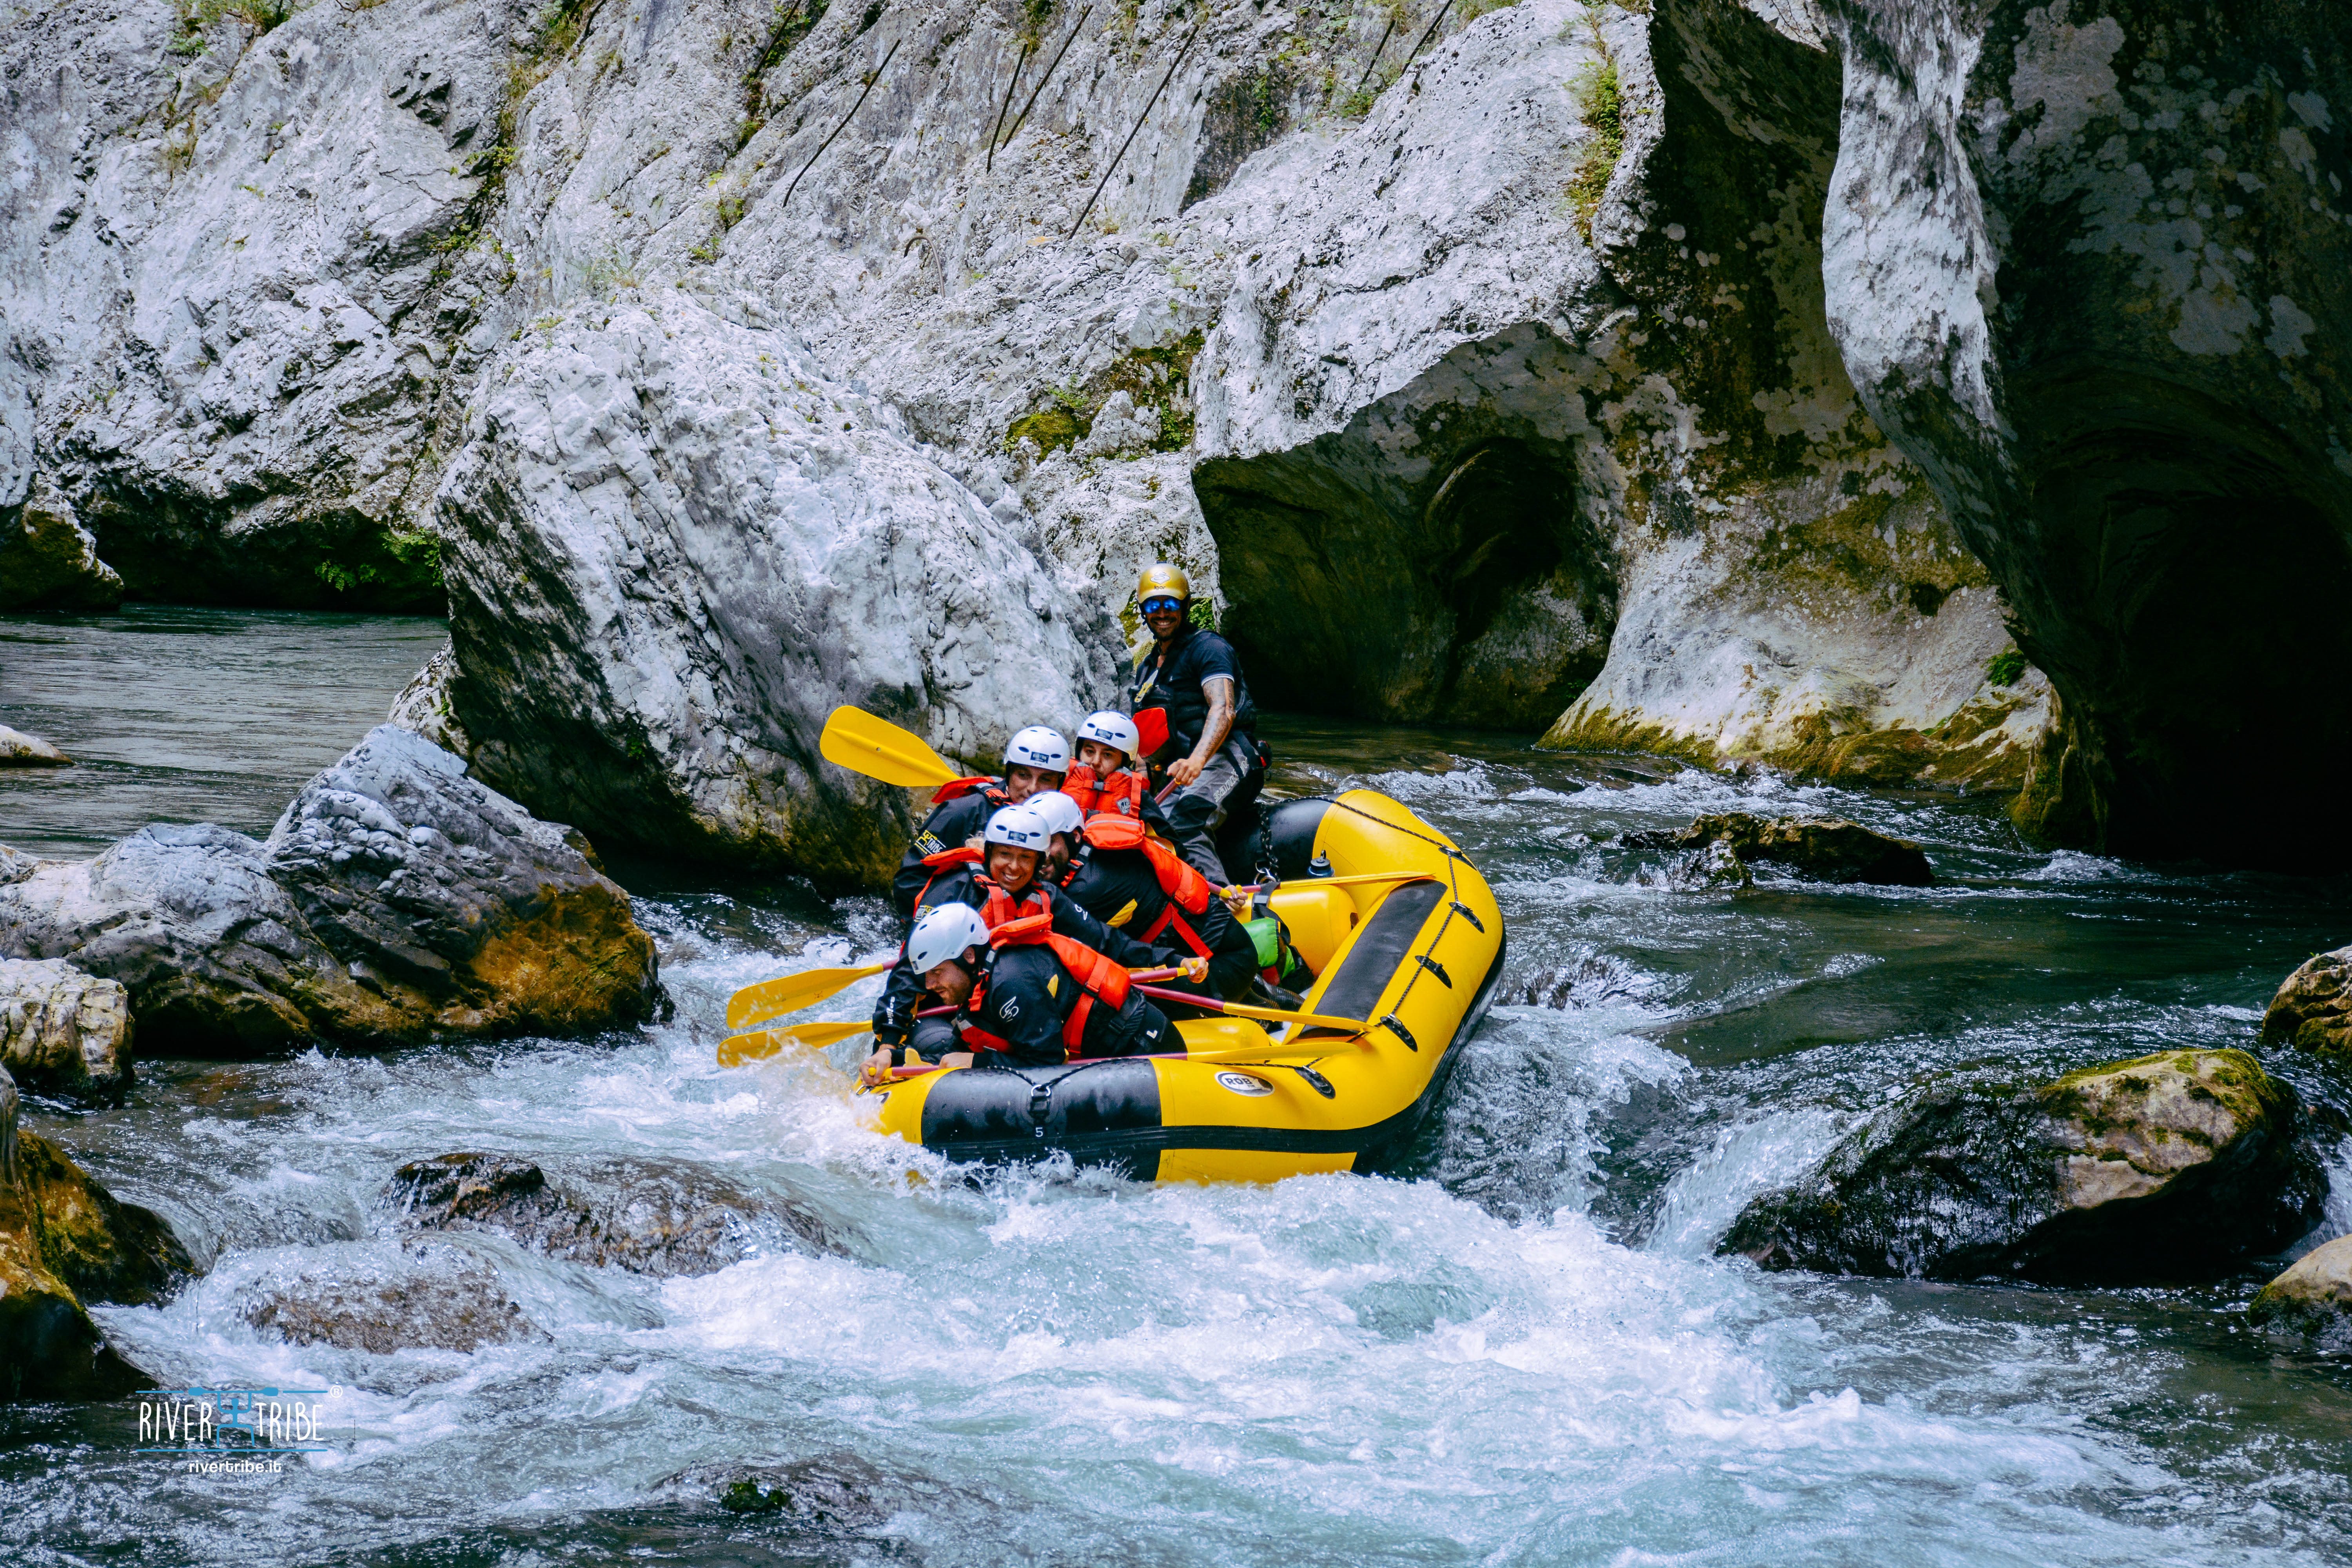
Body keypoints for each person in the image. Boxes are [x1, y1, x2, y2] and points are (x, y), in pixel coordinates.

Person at [871, 802, 1201, 1063]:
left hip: (1010, 1001)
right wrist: (887, 1043)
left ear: (1039, 861)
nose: (1014, 868)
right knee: (942, 1044)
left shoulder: (1045, 896)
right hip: (941, 1004)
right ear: (989, 855)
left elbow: (1106, 941)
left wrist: (1174, 960)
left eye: (1025, 858)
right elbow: (910, 971)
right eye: (1004, 856)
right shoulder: (952, 892)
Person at [860, 902, 1175, 1082]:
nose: (929, 986)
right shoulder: (978, 990)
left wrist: (976, 1064)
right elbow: (952, 1054)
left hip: (1144, 1045)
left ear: (968, 956)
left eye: (937, 972)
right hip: (1109, 1052)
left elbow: (1046, 1063)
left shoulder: (1011, 982)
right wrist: (893, 1057)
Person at [1029, 789, 1260, 1005]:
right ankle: (1262, 996)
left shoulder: (1087, 888)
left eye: (1049, 842)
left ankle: (1256, 1008)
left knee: (1109, 999)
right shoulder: (1091, 846)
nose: (1040, 856)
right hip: (1211, 949)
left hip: (1221, 961)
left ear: (1076, 836)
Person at [1124, 563, 1264, 884]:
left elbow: (1223, 709)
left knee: (1186, 821)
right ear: (1143, 611)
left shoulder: (1209, 649)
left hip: (1229, 757)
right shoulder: (1147, 669)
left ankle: (1222, 907)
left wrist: (1198, 759)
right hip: (1180, 770)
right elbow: (1149, 734)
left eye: (1171, 604)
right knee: (1154, 827)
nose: (1162, 613)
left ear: (1185, 606)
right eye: (1153, 606)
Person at [888, 725, 1071, 920]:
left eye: (1046, 779)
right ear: (1009, 772)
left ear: (1060, 782)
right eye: (1024, 776)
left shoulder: (1065, 821)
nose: (1032, 789)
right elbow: (910, 881)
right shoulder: (963, 811)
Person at [1059, 710, 1171, 831]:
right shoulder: (1059, 779)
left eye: (1107, 755)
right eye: (1090, 752)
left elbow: (1169, 845)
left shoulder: (1138, 796)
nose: (1096, 762)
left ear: (1125, 761)